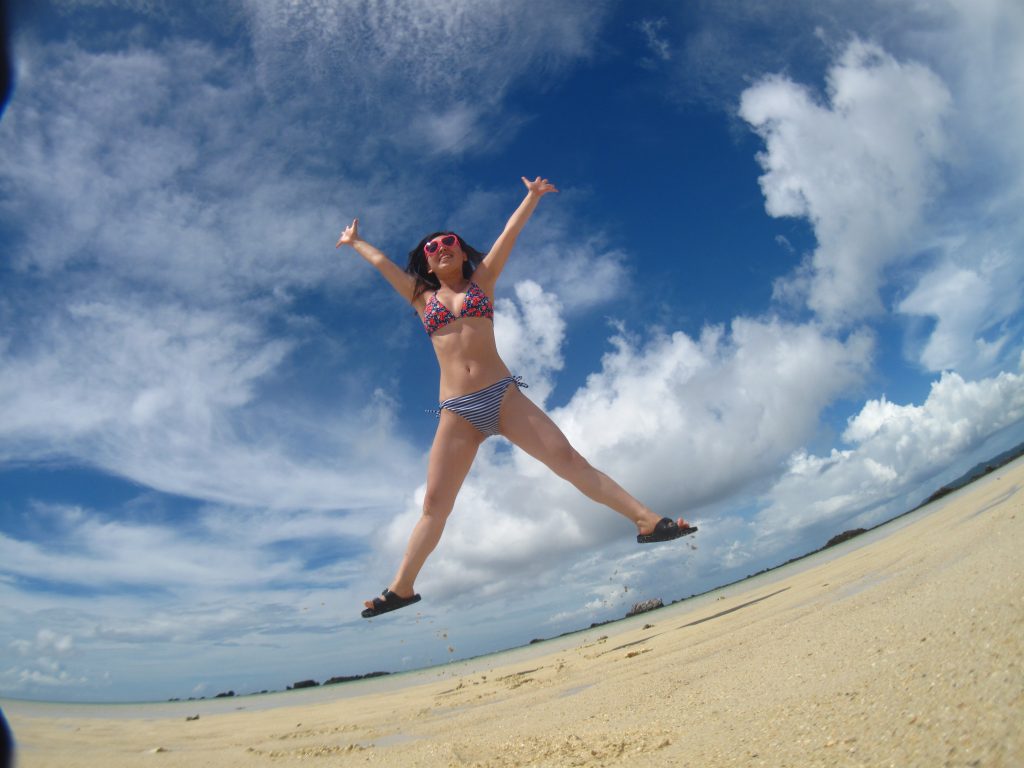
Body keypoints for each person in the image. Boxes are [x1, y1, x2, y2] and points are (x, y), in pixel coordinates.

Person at [336, 176, 696, 618]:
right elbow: (383, 264)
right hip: (457, 411)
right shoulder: (419, 297)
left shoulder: (482, 281)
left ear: (462, 251)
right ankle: (402, 587)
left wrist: (530, 197)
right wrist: (356, 242)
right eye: (431, 248)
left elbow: (509, 235)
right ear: (426, 266)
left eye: (448, 242)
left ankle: (647, 520)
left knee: (569, 461)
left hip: (503, 397)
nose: (441, 248)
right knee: (433, 505)